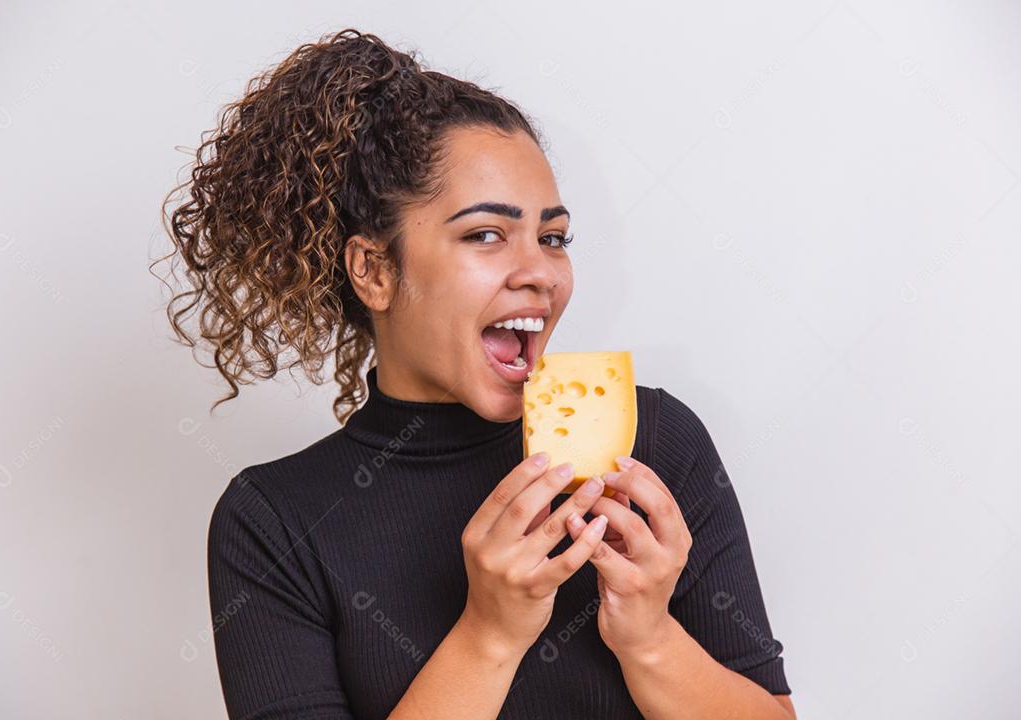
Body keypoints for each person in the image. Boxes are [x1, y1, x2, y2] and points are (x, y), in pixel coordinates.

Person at [156, 27, 796, 720]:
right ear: (373, 270)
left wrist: (648, 637)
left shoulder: (659, 443)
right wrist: (490, 634)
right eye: (485, 235)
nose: (539, 274)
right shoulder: (274, 524)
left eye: (552, 238)